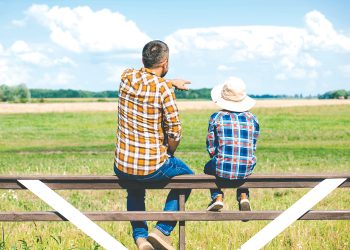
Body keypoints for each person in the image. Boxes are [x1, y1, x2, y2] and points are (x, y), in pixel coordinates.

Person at [114, 40, 194, 250]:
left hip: (122, 165)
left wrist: (170, 82)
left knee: (135, 190)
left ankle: (140, 238)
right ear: (165, 62)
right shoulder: (164, 91)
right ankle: (161, 231)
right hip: (152, 167)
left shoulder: (126, 77)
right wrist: (170, 151)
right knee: (188, 178)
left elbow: (147, 80)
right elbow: (174, 131)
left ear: (143, 60)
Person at [204, 77, 260, 212]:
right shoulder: (252, 118)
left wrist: (218, 157)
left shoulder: (216, 117)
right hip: (245, 168)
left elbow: (210, 146)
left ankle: (217, 197)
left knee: (208, 168)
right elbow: (252, 146)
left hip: (221, 168)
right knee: (243, 164)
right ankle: (243, 196)